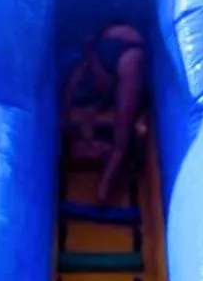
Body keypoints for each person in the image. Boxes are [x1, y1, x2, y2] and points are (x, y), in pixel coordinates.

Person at [62, 24, 148, 207]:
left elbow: (75, 82)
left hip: (109, 48)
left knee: (120, 142)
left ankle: (104, 189)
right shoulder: (94, 80)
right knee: (120, 141)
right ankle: (105, 186)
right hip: (111, 42)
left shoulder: (89, 78)